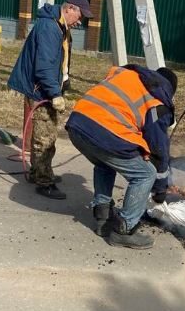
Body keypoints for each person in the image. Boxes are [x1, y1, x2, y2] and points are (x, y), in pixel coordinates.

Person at [65, 64, 177, 249]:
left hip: (77, 124)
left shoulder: (130, 77)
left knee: (105, 161)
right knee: (145, 174)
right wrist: (160, 187)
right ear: (170, 90)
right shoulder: (159, 101)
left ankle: (103, 218)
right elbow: (159, 149)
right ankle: (124, 230)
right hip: (103, 131)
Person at [8, 0, 93, 200]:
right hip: (41, 90)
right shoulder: (50, 28)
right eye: (80, 15)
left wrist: (64, 83)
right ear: (70, 9)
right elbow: (44, 66)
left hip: (47, 87)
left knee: (45, 134)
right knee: (44, 138)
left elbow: (59, 61)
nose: (80, 21)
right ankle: (44, 181)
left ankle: (39, 172)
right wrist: (55, 94)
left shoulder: (61, 27)